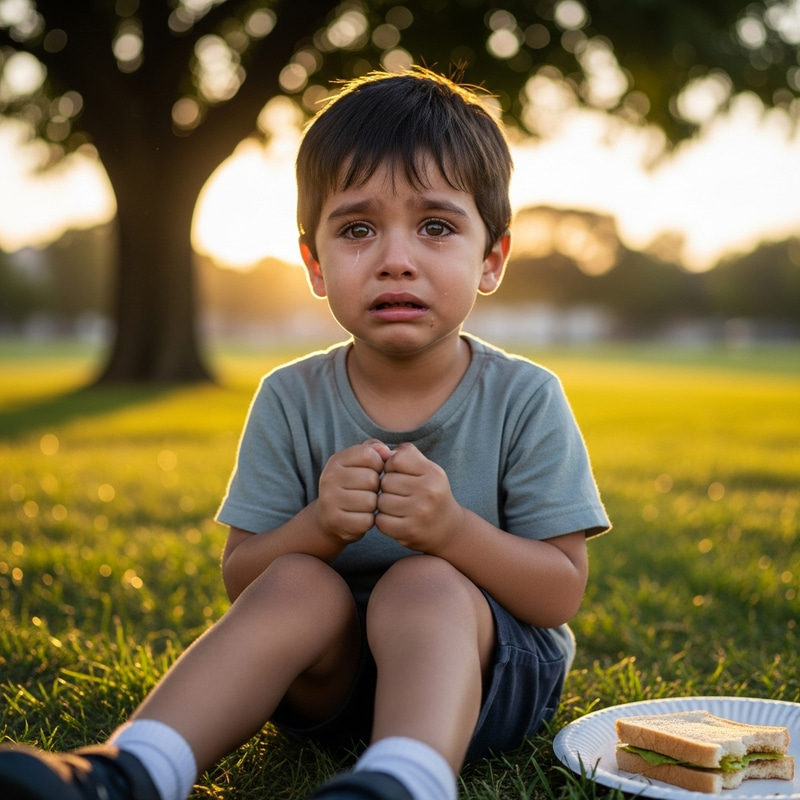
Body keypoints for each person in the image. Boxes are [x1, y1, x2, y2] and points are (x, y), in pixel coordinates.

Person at [0, 67, 610, 800]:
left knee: (423, 582)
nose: (395, 258)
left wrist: (451, 531)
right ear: (315, 266)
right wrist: (320, 524)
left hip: (486, 685)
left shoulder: (523, 397)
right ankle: (130, 770)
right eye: (357, 229)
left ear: (492, 259)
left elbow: (558, 593)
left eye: (437, 226)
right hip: (330, 684)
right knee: (296, 580)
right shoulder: (290, 397)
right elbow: (243, 580)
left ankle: (407, 780)